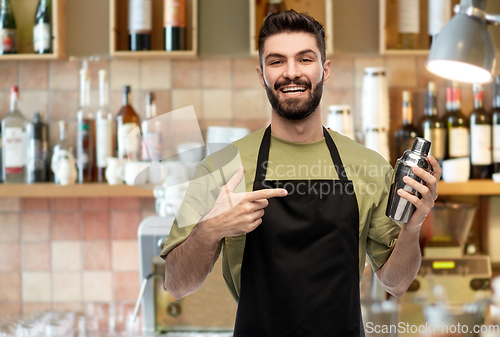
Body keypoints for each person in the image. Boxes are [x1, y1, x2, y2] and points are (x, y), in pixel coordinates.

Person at [160, 10, 441, 337]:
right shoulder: (220, 167)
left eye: (305, 59)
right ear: (261, 73)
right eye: (276, 61)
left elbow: (396, 282)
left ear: (325, 69)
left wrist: (412, 228)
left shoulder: (369, 165)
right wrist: (210, 230)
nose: (291, 73)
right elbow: (176, 285)